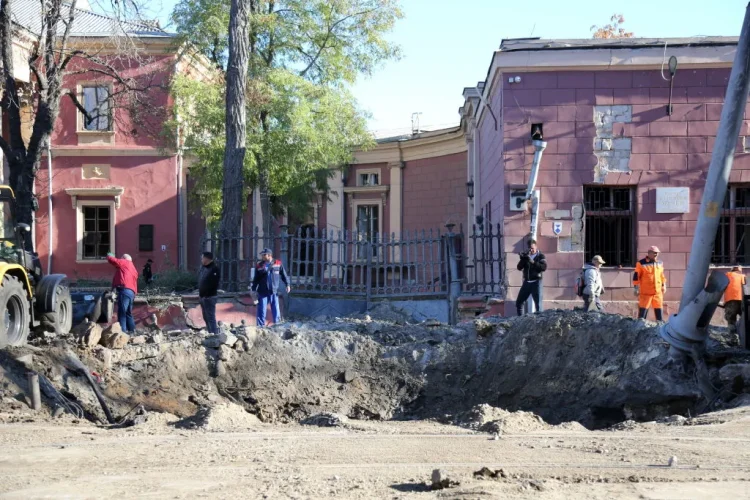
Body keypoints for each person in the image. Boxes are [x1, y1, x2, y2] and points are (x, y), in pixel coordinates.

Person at [251, 248, 290, 326]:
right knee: (261, 311)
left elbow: (284, 275)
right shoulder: (259, 265)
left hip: (274, 292)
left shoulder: (278, 263)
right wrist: (253, 289)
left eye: (264, 255)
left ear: (269, 255)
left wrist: (287, 284)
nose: (262, 256)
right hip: (262, 292)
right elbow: (256, 279)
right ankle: (260, 328)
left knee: (276, 310)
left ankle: (278, 326)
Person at [106, 253, 139, 334]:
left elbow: (113, 260)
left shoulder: (125, 262)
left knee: (122, 312)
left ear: (124, 259)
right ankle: (132, 330)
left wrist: (109, 256)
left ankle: (122, 332)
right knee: (128, 313)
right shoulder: (133, 269)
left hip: (124, 290)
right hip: (131, 293)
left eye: (121, 259)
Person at [633, 245, 667, 321]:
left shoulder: (660, 263)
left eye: (657, 253)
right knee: (642, 315)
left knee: (659, 316)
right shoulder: (641, 263)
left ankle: (659, 328)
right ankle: (640, 328)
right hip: (646, 293)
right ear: (649, 253)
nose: (656, 255)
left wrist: (664, 285)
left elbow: (661, 275)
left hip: (657, 293)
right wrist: (636, 288)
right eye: (654, 253)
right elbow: (636, 276)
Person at [516, 239, 547, 316]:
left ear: (536, 247)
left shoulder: (540, 256)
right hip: (527, 282)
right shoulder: (527, 256)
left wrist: (532, 261)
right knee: (519, 302)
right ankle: (520, 320)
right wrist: (523, 258)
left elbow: (543, 267)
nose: (531, 250)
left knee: (538, 305)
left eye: (533, 248)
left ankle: (539, 322)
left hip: (536, 282)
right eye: (530, 248)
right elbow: (519, 268)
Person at [198, 252, 221, 335]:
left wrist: (206, 294)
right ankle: (210, 332)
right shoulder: (203, 268)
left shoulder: (214, 269)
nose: (201, 260)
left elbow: (213, 284)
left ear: (206, 259)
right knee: (206, 317)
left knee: (210, 317)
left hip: (210, 297)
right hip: (203, 297)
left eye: (202, 258)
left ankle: (214, 334)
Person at [723, 264, 746, 340]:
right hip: (742, 300)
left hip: (730, 301)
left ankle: (733, 338)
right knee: (745, 317)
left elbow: (722, 286)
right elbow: (745, 287)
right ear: (739, 270)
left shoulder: (727, 275)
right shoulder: (742, 276)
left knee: (731, 319)